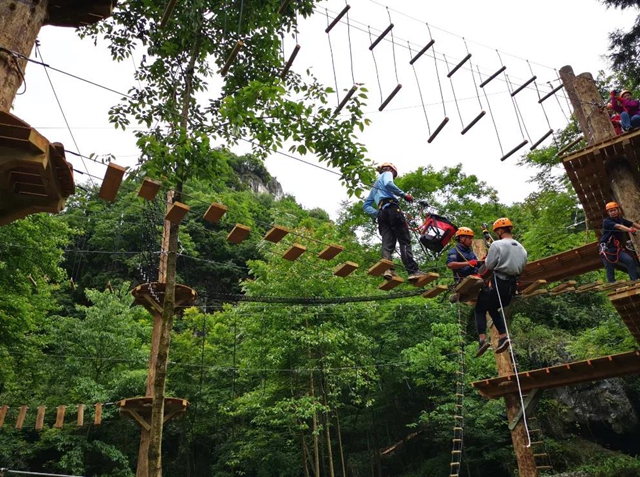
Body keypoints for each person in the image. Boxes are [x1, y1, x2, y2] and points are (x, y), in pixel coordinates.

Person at [363, 162, 426, 281]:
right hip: (393, 209)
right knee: (404, 240)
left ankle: (388, 269)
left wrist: (378, 214)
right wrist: (404, 195)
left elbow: (366, 206)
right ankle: (413, 271)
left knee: (387, 243)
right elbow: (388, 183)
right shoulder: (387, 173)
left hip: (382, 214)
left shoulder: (375, 186)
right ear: (391, 170)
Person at [474, 218, 528, 357]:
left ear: (499, 230)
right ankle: (503, 336)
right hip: (510, 288)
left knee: (480, 308)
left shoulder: (497, 245)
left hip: (499, 283)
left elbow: (490, 265)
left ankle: (482, 340)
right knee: (492, 308)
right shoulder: (522, 248)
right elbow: (522, 267)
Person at [599, 201, 640, 283]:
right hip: (606, 248)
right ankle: (612, 284)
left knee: (629, 261)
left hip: (616, 248)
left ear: (618, 210)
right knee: (610, 267)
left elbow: (633, 224)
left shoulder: (621, 220)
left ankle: (634, 280)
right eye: (611, 211)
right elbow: (619, 227)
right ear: (608, 213)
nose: (613, 212)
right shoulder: (607, 221)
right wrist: (630, 230)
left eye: (614, 210)